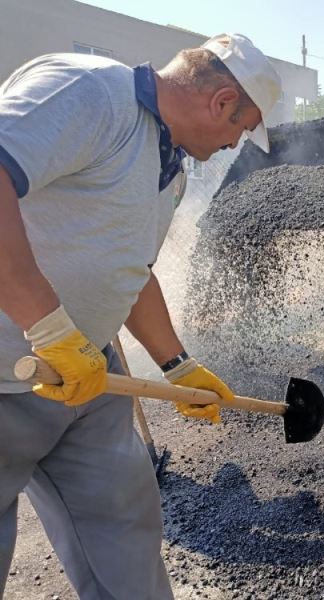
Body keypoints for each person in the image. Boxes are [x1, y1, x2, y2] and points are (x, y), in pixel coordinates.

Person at [0, 33, 281, 598]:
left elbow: (133, 270)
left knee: (125, 532)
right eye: (240, 130)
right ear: (222, 101)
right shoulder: (87, 91)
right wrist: (48, 328)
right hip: (11, 372)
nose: (234, 146)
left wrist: (176, 364)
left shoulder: (168, 169)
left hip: (91, 376)